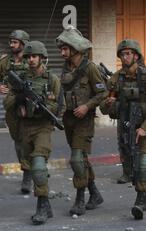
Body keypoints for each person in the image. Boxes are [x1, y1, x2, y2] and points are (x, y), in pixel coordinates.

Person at [4, 41, 61, 225]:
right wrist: (18, 98)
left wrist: (41, 108)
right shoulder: (19, 78)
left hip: (43, 127)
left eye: (34, 56)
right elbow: (6, 103)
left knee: (38, 166)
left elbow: (60, 106)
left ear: (43, 58)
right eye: (28, 57)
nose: (31, 60)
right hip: (24, 128)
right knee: (30, 165)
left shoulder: (51, 79)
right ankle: (46, 206)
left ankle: (42, 206)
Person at [56, 26, 107, 217]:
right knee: (82, 158)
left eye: (65, 49)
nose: (62, 53)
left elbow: (102, 93)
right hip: (69, 119)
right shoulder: (66, 67)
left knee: (77, 159)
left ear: (75, 49)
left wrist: (87, 106)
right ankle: (94, 193)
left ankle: (80, 199)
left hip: (84, 120)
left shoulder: (90, 68)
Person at [100, 39, 146, 220]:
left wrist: (143, 128)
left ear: (136, 55)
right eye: (122, 54)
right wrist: (110, 103)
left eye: (128, 53)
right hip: (125, 126)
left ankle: (140, 200)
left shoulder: (144, 76)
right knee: (131, 164)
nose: (125, 57)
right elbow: (104, 107)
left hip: (142, 128)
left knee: (142, 165)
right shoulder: (116, 78)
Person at [0, 30, 32, 194]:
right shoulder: (5, 62)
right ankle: (27, 170)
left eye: (15, 42)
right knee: (18, 141)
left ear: (23, 43)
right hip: (11, 108)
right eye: (10, 42)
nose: (11, 45)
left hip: (28, 106)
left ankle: (32, 171)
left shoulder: (32, 59)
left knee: (29, 140)